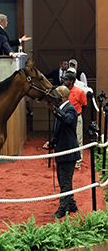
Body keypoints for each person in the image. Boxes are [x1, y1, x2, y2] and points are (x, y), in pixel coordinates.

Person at [46, 85, 81, 219]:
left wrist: (55, 110)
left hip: (68, 152)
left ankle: (63, 210)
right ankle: (71, 204)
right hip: (62, 149)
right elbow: (61, 129)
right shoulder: (62, 109)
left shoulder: (70, 109)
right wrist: (52, 141)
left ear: (63, 96)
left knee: (65, 181)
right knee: (64, 180)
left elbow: (67, 120)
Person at [62, 72, 87, 170]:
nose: (64, 81)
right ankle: (67, 159)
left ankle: (78, 161)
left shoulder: (79, 92)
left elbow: (84, 105)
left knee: (78, 139)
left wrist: (77, 114)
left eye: (66, 79)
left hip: (76, 117)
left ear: (71, 81)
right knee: (65, 138)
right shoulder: (62, 91)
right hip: (64, 118)